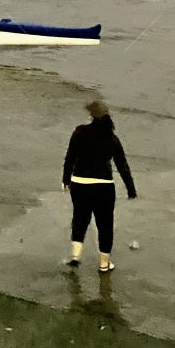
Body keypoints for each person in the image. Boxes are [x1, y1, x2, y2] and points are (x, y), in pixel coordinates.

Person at [63, 100, 137, 273]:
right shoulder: (112, 139)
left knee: (80, 219)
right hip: (103, 187)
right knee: (104, 225)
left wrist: (66, 179)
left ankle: (75, 257)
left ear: (91, 117)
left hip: (80, 184)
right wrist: (130, 188)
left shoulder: (79, 132)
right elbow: (122, 165)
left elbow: (70, 158)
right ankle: (104, 264)